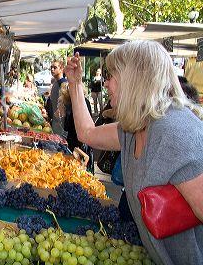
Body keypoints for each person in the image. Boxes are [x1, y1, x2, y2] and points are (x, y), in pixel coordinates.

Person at [65, 40, 203, 265]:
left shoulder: (177, 133)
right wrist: (75, 83)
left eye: (112, 76)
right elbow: (87, 133)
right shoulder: (133, 127)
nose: (106, 83)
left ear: (134, 80)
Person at [45, 59, 67, 135]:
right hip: (53, 121)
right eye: (51, 67)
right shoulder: (55, 83)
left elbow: (64, 104)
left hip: (60, 124)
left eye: (55, 67)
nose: (52, 69)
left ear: (61, 69)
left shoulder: (64, 84)